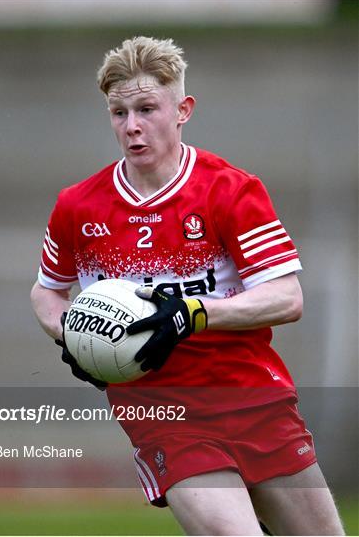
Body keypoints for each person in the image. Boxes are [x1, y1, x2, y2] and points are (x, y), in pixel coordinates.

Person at [30, 36, 344, 535]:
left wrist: (191, 312)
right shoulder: (78, 207)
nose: (132, 126)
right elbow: (47, 291)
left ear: (182, 110)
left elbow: (287, 298)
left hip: (253, 399)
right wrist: (68, 332)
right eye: (119, 112)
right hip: (164, 413)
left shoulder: (231, 190)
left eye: (147, 108)